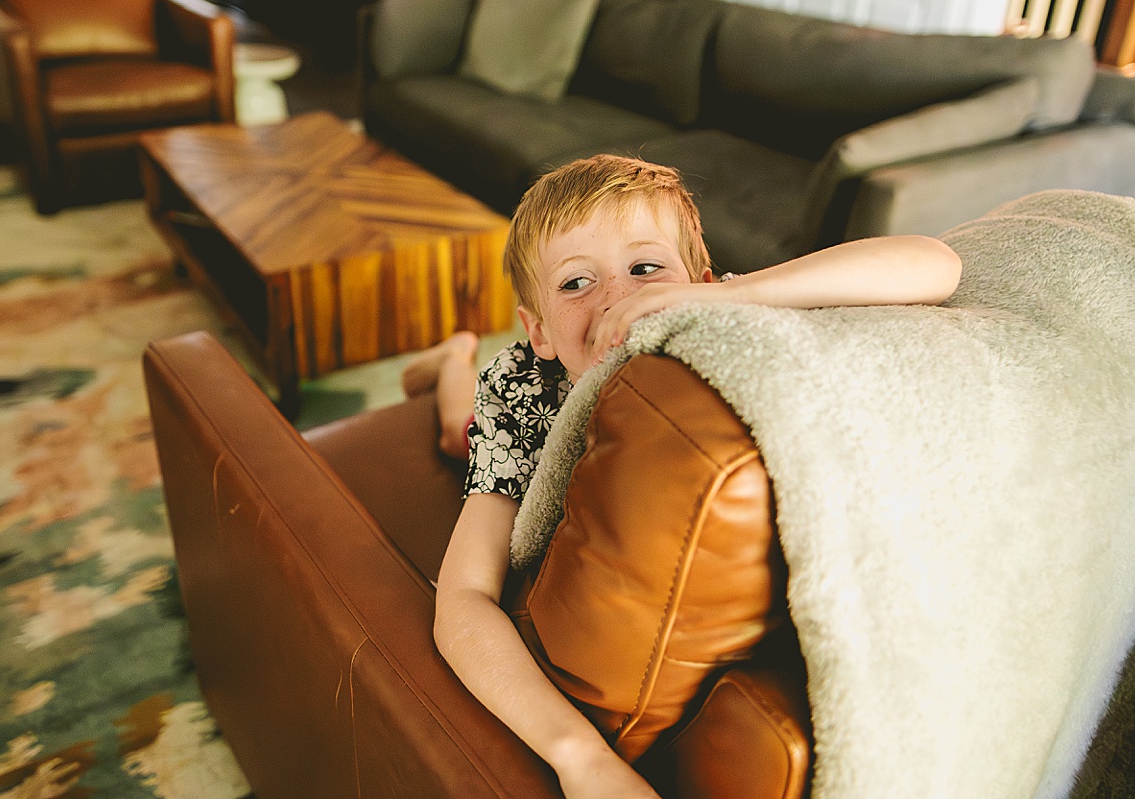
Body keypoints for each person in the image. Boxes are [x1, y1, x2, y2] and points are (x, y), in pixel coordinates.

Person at [403, 154, 963, 799]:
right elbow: (464, 600)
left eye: (646, 267)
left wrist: (729, 296)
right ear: (540, 332)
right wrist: (578, 757)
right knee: (460, 433)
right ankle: (454, 355)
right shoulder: (525, 386)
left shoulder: (716, 306)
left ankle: (456, 353)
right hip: (507, 415)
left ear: (696, 278)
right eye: (575, 283)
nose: (621, 295)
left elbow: (935, 263)